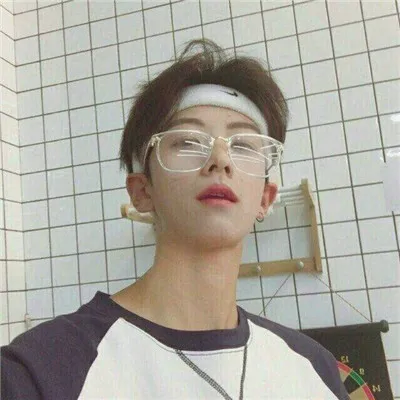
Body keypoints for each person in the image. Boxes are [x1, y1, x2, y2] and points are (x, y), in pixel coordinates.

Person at [1, 39, 349, 399]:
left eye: (243, 145)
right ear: (142, 191)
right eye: (188, 141)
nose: (220, 160)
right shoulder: (40, 372)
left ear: (265, 198)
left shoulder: (314, 369)